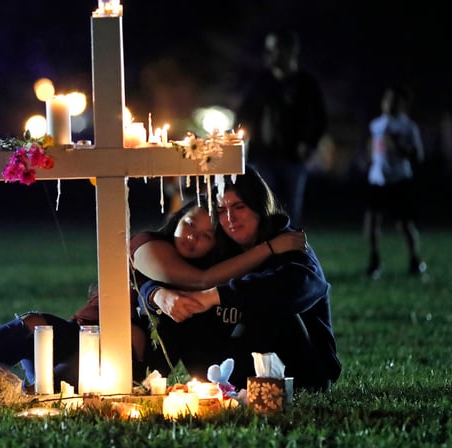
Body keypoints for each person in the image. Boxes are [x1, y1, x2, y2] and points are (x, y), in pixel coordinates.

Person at [0, 197, 307, 401]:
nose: (194, 238)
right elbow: (173, 279)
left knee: (58, 389)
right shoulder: (147, 246)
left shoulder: (204, 288)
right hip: (78, 334)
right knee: (34, 326)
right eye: (189, 225)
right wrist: (269, 249)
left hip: (120, 366)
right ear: (176, 220)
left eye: (206, 236)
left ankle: (0, 394)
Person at [138, 167, 341, 392]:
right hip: (226, 365)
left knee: (269, 305)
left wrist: (215, 296)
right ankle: (147, 383)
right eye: (222, 210)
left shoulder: (288, 242)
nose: (230, 218)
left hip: (301, 370)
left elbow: (300, 285)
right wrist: (158, 294)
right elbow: (170, 277)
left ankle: (233, 386)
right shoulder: (220, 244)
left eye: (239, 207)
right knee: (177, 303)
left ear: (258, 205)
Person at [234, 28, 328, 226]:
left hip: (293, 159)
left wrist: (309, 144)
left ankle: (291, 252)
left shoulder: (306, 84)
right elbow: (244, 114)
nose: (269, 54)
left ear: (291, 50)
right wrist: (235, 140)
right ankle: (266, 252)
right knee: (263, 207)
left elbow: (320, 118)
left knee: (292, 211)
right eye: (268, 49)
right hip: (262, 156)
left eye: (275, 48)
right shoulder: (260, 82)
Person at [364, 83, 426, 278]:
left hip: (399, 180)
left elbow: (418, 155)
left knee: (405, 224)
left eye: (394, 100)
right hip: (377, 179)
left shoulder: (409, 127)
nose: (389, 103)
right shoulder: (376, 124)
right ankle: (374, 262)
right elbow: (373, 148)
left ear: (402, 104)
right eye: (387, 99)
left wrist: (397, 147)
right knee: (373, 221)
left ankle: (415, 260)